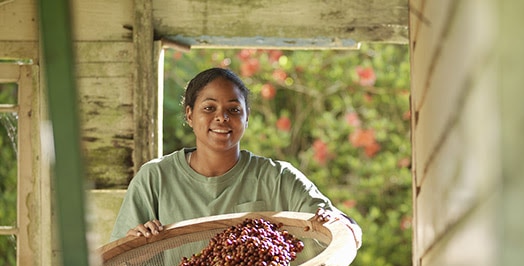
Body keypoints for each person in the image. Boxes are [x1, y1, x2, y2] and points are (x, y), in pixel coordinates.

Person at [109, 68, 359, 253]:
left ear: (247, 117)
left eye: (234, 109)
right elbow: (117, 264)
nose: (222, 118)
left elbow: (344, 228)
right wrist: (135, 243)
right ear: (189, 114)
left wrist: (332, 223)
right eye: (209, 108)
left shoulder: (278, 178)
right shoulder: (154, 178)